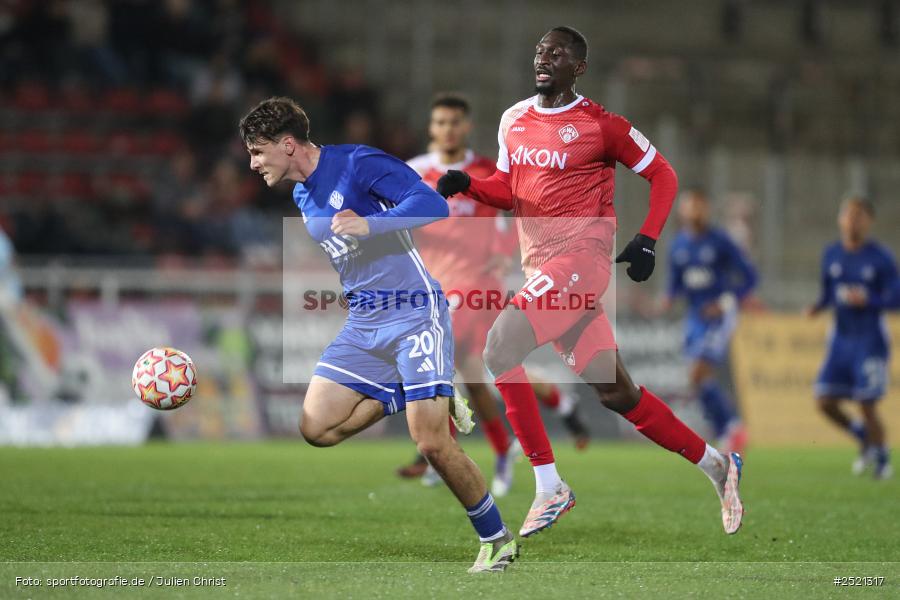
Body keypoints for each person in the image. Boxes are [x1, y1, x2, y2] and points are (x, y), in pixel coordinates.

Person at [436, 27, 744, 538]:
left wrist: (647, 239)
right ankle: (718, 464)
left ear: (578, 68)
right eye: (540, 51)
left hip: (582, 261)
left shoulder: (601, 126)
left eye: (556, 54)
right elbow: (510, 190)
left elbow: (663, 174)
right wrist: (469, 185)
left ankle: (549, 485)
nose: (543, 59)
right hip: (543, 269)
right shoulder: (514, 119)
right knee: (617, 392)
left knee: (499, 347)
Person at [239, 97, 518, 571]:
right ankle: (414, 390)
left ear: (287, 144)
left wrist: (372, 223)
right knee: (316, 428)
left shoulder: (356, 162)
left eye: (257, 151)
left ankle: (497, 539)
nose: (253, 163)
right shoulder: (302, 195)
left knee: (431, 443)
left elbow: (432, 203)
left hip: (415, 313)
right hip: (365, 322)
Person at [400, 93, 591, 495]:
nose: (448, 129)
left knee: (439, 360)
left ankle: (435, 451)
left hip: (475, 287)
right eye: (440, 122)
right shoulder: (413, 172)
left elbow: (510, 218)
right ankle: (506, 445)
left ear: (466, 126)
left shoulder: (487, 170)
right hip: (436, 288)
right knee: (475, 374)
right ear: (431, 128)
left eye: (455, 122)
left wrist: (505, 254)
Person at [806, 196, 899, 480]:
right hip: (841, 339)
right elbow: (828, 292)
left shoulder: (880, 258)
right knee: (824, 400)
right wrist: (818, 306)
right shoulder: (832, 254)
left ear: (869, 222)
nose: (853, 221)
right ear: (840, 219)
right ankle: (863, 436)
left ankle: (882, 459)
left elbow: (895, 299)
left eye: (860, 216)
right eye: (849, 214)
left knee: (867, 403)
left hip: (870, 339)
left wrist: (869, 300)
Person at [663, 189, 757, 453]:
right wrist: (667, 299)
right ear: (681, 210)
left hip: (719, 316)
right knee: (696, 380)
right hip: (694, 317)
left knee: (698, 373)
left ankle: (732, 427)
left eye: (699, 205)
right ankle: (728, 431)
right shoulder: (678, 245)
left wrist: (726, 301)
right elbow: (675, 283)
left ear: (707, 209)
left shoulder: (720, 241)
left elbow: (750, 277)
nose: (694, 211)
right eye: (689, 205)